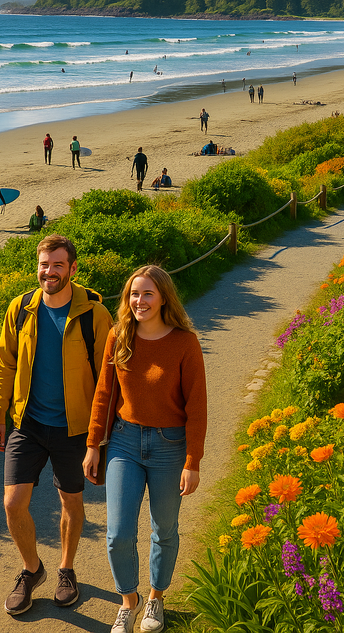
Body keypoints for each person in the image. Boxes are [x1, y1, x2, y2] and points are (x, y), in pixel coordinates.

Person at [0, 235, 113, 616]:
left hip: (74, 428)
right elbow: (5, 363)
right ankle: (32, 570)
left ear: (72, 268)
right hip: (27, 423)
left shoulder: (95, 314)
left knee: (71, 501)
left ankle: (66, 570)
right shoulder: (20, 308)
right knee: (13, 503)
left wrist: (100, 436)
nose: (50, 272)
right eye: (44, 264)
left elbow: (108, 377)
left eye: (58, 265)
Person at [83, 265, 206, 633]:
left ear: (163, 297)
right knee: (118, 533)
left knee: (164, 529)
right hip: (124, 441)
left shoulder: (185, 343)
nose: (140, 301)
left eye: (148, 293)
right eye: (134, 294)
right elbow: (104, 393)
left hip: (171, 446)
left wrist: (193, 461)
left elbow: (197, 407)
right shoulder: (119, 336)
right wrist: (93, 445)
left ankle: (155, 598)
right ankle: (129, 601)